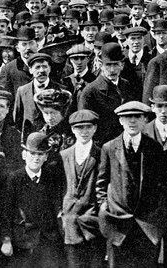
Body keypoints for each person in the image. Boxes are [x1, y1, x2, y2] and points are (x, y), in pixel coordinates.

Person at [96, 101, 167, 268]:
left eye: (137, 117)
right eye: (127, 117)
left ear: (144, 120)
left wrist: (157, 212)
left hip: (147, 224)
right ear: (121, 121)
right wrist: (104, 207)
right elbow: (101, 183)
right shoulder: (109, 148)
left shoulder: (155, 148)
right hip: (118, 223)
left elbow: (163, 184)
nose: (132, 121)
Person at [0, 132, 65, 268]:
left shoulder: (51, 178)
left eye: (40, 154)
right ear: (24, 155)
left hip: (48, 241)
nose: (36, 158)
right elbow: (5, 213)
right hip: (22, 242)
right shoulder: (14, 179)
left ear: (46, 157)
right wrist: (6, 240)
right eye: (32, 154)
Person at [60, 110, 104, 268]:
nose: (84, 132)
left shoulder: (102, 154)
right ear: (72, 130)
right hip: (70, 225)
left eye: (88, 127)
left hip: (94, 225)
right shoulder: (63, 156)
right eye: (79, 128)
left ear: (95, 128)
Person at [78, 42, 136, 143]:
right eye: (108, 65)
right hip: (103, 144)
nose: (112, 70)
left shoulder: (126, 85)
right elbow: (85, 125)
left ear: (122, 65)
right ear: (101, 65)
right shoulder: (90, 91)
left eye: (116, 64)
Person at [13, 52, 66, 134]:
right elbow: (18, 120)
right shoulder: (22, 91)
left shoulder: (61, 90)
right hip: (30, 139)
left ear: (50, 68)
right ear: (30, 70)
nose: (41, 70)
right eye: (37, 67)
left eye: (45, 66)